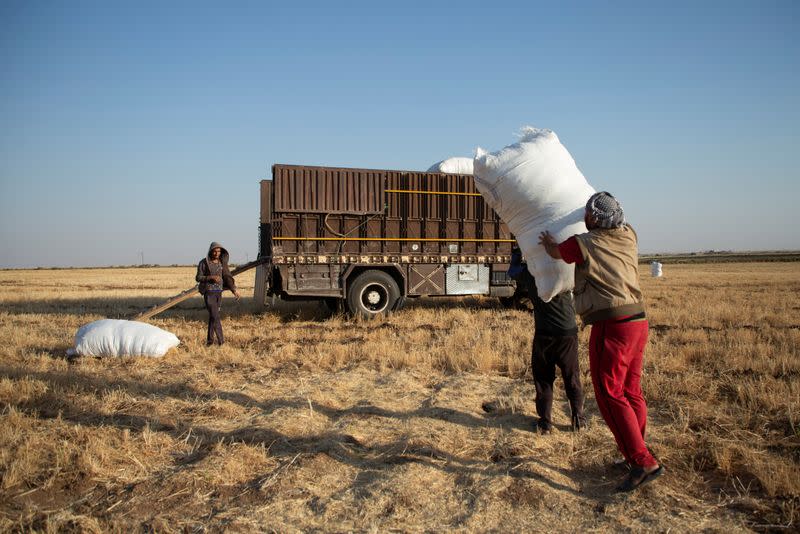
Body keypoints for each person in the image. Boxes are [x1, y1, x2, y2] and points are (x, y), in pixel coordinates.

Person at [538, 191, 663, 492]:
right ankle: (634, 450)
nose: (584, 217)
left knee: (609, 393)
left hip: (612, 325)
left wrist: (547, 244)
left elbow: (558, 253)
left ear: (594, 219)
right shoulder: (628, 235)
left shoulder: (585, 244)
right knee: (631, 390)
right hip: (638, 322)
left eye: (588, 214)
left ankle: (642, 460)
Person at [509, 246, 586, 434]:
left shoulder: (532, 274)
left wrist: (517, 252)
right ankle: (579, 420)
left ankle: (545, 423)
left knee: (543, 379)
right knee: (572, 377)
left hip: (544, 335)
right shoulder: (566, 270)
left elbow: (512, 271)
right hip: (567, 333)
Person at [196, 242, 240, 346]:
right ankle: (222, 342)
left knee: (213, 317)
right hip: (209, 293)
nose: (217, 253)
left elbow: (227, 277)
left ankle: (209, 342)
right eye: (215, 251)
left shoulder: (221, 263)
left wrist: (234, 290)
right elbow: (198, 277)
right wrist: (210, 277)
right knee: (216, 317)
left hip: (218, 293)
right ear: (211, 251)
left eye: (219, 251)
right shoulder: (204, 263)